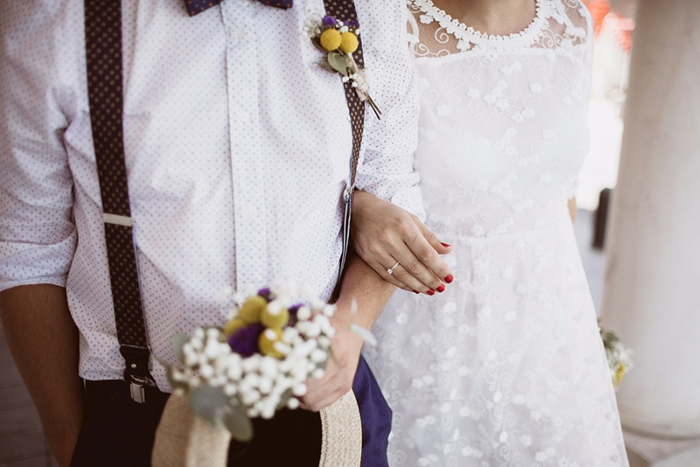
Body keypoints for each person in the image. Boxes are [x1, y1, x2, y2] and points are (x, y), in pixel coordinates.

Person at [0, 1, 436, 465]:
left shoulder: (367, 10)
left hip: (331, 415)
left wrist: (352, 322)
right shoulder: (56, 18)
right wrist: (72, 444)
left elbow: (387, 186)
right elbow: (28, 249)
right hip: (143, 417)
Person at [353, 0, 630, 465]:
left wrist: (576, 325)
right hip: (431, 325)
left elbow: (562, 195)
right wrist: (362, 209)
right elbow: (354, 175)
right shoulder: (391, 23)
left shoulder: (573, 22)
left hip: (547, 327)